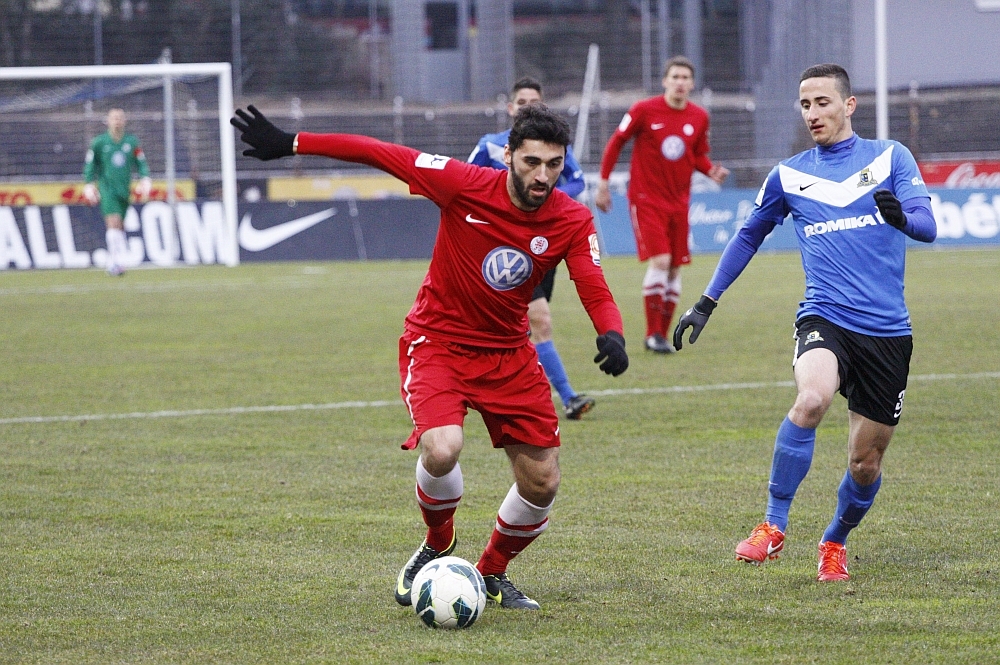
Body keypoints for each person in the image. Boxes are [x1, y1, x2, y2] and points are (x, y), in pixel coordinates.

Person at [231, 103, 629, 609]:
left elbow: (593, 285)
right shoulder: (462, 184)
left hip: (509, 354)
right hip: (439, 342)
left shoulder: (571, 218)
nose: (542, 176)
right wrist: (292, 143)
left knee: (543, 482)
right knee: (442, 449)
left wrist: (611, 333)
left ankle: (490, 572)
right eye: (532, 162)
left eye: (554, 164)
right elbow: (381, 152)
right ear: (508, 155)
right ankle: (438, 542)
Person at [672, 64, 936, 582]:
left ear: (849, 105)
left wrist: (901, 218)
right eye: (805, 104)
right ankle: (773, 524)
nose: (812, 113)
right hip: (825, 315)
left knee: (865, 464)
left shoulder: (890, 158)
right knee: (811, 398)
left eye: (822, 102)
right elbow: (748, 235)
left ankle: (834, 541)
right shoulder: (788, 174)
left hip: (886, 331)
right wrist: (706, 302)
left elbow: (926, 226)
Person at [468, 77, 595, 420]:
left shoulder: (554, 149)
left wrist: (547, 201)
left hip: (543, 247)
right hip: (505, 249)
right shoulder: (491, 146)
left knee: (524, 329)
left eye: (535, 102)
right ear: (511, 108)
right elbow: (465, 185)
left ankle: (505, 395)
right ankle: (567, 397)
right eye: (522, 102)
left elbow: (578, 181)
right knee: (539, 321)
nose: (528, 107)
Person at [595, 56, 729, 354]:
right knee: (661, 261)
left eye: (685, 78)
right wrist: (603, 183)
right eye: (675, 77)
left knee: (674, 269)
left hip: (679, 202)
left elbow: (697, 155)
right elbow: (616, 142)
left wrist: (710, 170)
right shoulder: (643, 110)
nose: (680, 82)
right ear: (665, 81)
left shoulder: (699, 116)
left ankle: (662, 337)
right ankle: (651, 334)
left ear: (692, 84)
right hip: (646, 199)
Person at [82, 108, 152, 276]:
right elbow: (90, 165)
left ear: (125, 121)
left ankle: (117, 260)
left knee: (120, 225)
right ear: (108, 121)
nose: (117, 121)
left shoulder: (131, 142)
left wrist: (145, 178)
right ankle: (114, 263)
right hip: (107, 189)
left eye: (120, 118)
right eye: (114, 118)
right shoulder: (99, 143)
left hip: (124, 190)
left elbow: (141, 162)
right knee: (113, 222)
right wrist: (89, 184)